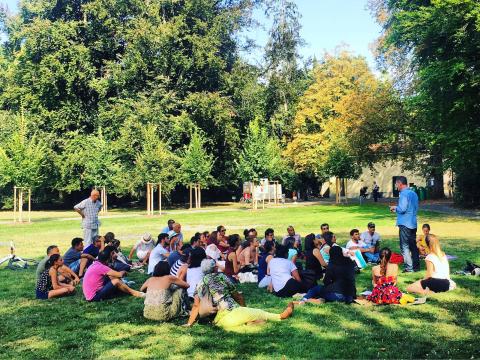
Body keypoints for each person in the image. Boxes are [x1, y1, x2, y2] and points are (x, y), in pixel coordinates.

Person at [184, 259, 294, 329]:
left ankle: (248, 323)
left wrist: (189, 324)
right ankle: (281, 316)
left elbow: (196, 305)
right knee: (260, 313)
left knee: (243, 320)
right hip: (233, 312)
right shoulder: (221, 277)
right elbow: (237, 296)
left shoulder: (200, 283)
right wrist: (245, 309)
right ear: (214, 268)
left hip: (221, 322)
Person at [389, 176, 420, 272]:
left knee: (404, 246)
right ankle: (416, 266)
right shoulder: (413, 193)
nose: (396, 186)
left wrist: (394, 207)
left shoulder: (403, 194)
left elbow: (402, 209)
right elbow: (413, 208)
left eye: (396, 184)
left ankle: (409, 268)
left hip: (405, 224)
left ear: (400, 183)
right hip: (413, 223)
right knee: (413, 245)